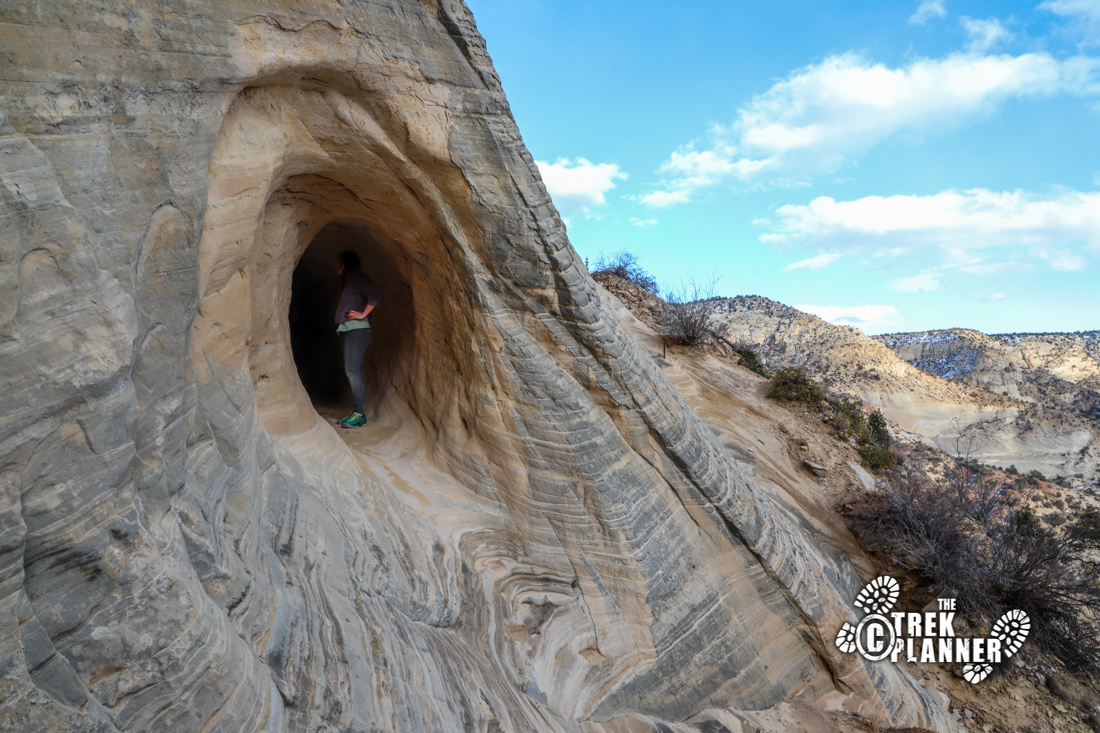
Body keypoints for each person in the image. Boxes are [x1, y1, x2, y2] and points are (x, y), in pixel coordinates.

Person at [333, 250, 381, 428]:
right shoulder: (350, 280)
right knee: (356, 372)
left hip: (357, 332)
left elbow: (375, 294)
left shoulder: (356, 277)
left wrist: (362, 314)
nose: (336, 266)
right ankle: (357, 412)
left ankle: (359, 414)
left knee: (352, 372)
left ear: (345, 263)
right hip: (353, 332)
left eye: (338, 262)